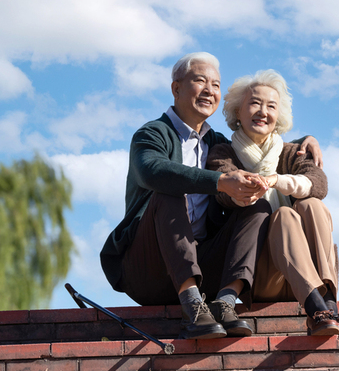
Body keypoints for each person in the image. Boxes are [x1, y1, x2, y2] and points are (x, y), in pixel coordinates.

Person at [100, 53, 321, 340]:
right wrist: (220, 181)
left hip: (206, 267)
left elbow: (260, 140)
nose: (209, 91)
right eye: (200, 81)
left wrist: (305, 140)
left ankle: (225, 302)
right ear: (176, 88)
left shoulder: (217, 143)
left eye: (216, 85)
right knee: (168, 193)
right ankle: (192, 304)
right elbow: (153, 171)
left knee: (258, 206)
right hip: (149, 269)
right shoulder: (152, 133)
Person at [207, 69, 339, 336]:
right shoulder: (223, 153)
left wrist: (275, 180)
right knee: (284, 216)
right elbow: (224, 192)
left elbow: (319, 183)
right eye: (255, 103)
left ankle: (327, 302)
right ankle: (317, 309)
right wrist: (245, 186)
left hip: (301, 272)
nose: (263, 111)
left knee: (311, 205)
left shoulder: (293, 152)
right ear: (238, 111)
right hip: (259, 275)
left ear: (278, 115)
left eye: (271, 106)